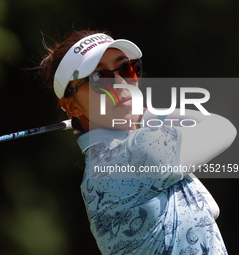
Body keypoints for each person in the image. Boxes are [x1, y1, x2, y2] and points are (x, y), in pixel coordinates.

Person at [37, 30, 236, 254]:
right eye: (99, 77)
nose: (121, 83)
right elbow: (223, 127)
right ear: (72, 107)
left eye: (126, 68)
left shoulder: (97, 172)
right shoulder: (137, 153)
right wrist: (145, 114)